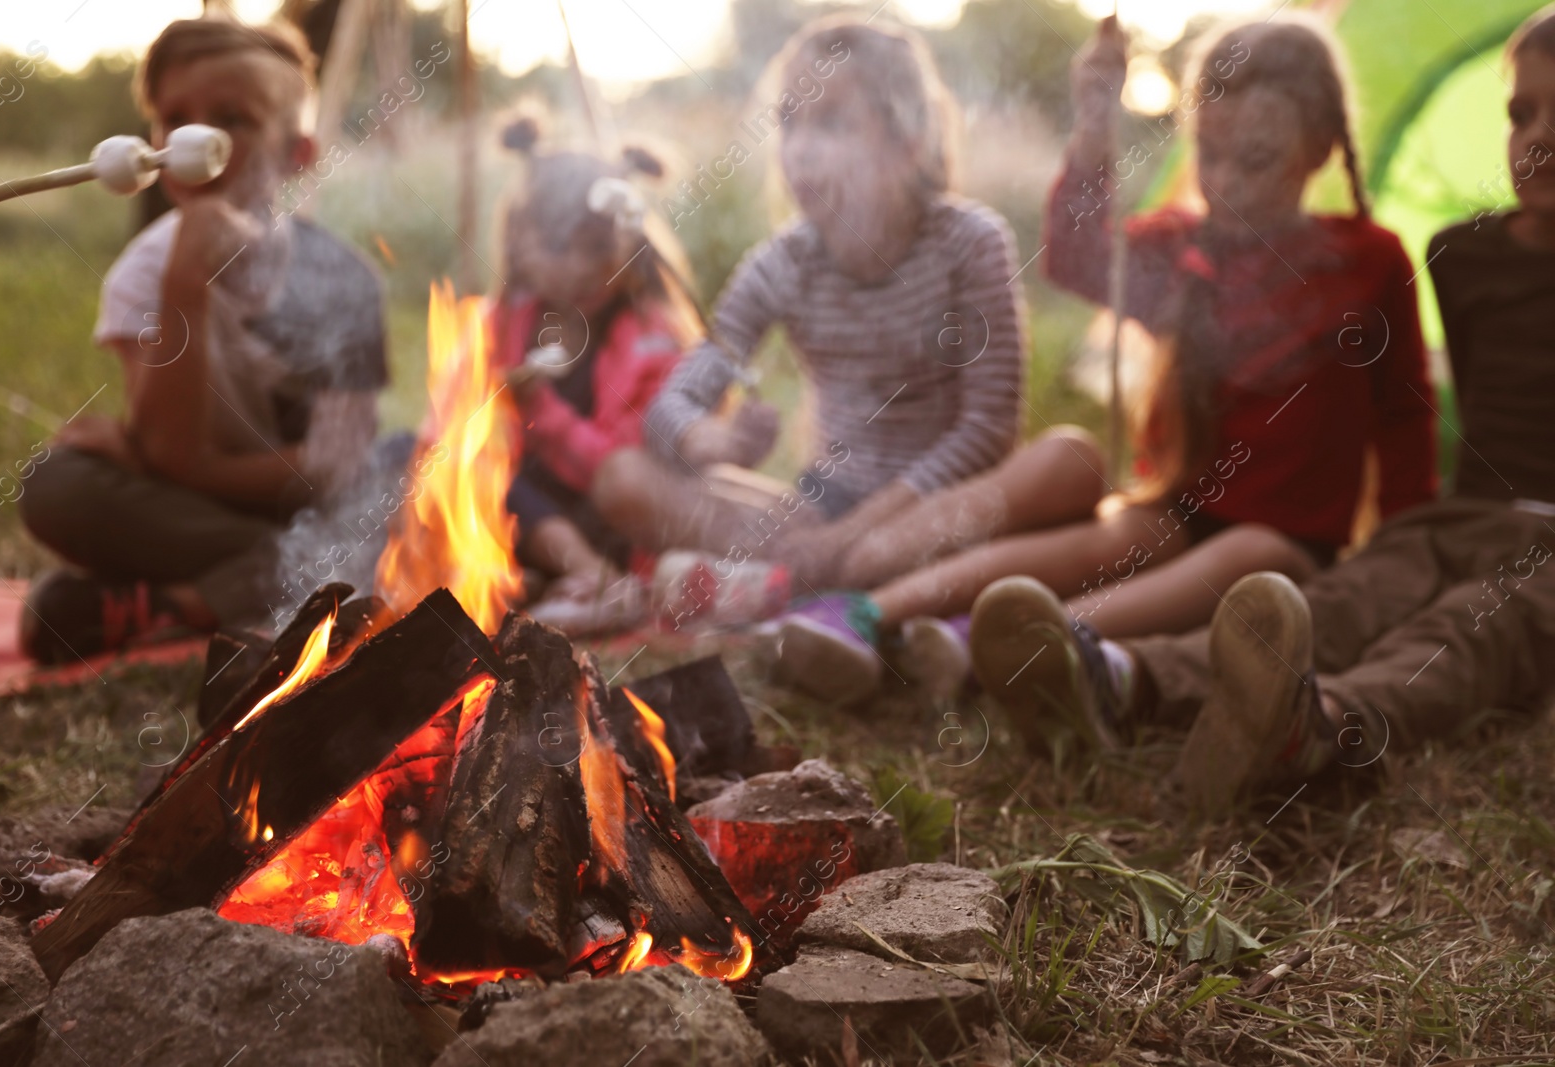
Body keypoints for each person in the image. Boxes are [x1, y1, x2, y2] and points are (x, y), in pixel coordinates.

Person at [975, 3, 1555, 815]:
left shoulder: (1376, 260)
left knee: (1463, 632)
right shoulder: (1464, 257)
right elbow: (1418, 418)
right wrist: (1399, 525)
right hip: (1461, 517)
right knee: (1339, 604)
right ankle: (1124, 675)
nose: (1536, 136)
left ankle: (1322, 720)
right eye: (1521, 113)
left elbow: (1399, 414)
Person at [771, 14, 1438, 704]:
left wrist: (1404, 554)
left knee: (1247, 556)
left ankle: (993, 643)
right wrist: (1094, 122)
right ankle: (868, 613)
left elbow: (1404, 416)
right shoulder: (1181, 252)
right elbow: (1079, 254)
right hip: (1174, 510)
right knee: (1100, 543)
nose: (1226, 181)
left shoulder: (1369, 262)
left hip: (1288, 546)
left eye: (1257, 160)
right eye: (1209, 153)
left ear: (1321, 148)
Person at [591, 16, 1106, 694]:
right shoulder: (780, 263)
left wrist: (855, 538)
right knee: (622, 476)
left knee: (1071, 460)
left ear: (907, 140)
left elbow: (986, 431)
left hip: (936, 511)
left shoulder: (969, 242)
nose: (800, 151)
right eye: (789, 124)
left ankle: (812, 590)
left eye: (831, 124)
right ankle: (867, 596)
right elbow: (670, 408)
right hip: (820, 512)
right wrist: (709, 434)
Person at [17, 17, 388, 663]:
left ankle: (173, 602)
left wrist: (173, 465)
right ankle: (268, 581)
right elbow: (172, 448)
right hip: (203, 514)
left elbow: (333, 463)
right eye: (173, 118)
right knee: (56, 484)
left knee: (408, 471)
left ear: (295, 153)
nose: (191, 138)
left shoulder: (345, 279)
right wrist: (187, 281)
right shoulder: (142, 276)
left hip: (308, 503)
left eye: (231, 118)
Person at [484, 118, 698, 634]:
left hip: (613, 523)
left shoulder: (652, 339)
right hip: (522, 516)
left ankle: (596, 578)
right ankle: (540, 580)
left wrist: (541, 413)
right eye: (560, 248)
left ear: (631, 244)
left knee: (514, 482)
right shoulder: (503, 321)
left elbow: (625, 473)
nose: (582, 268)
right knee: (435, 458)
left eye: (599, 248)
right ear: (519, 240)